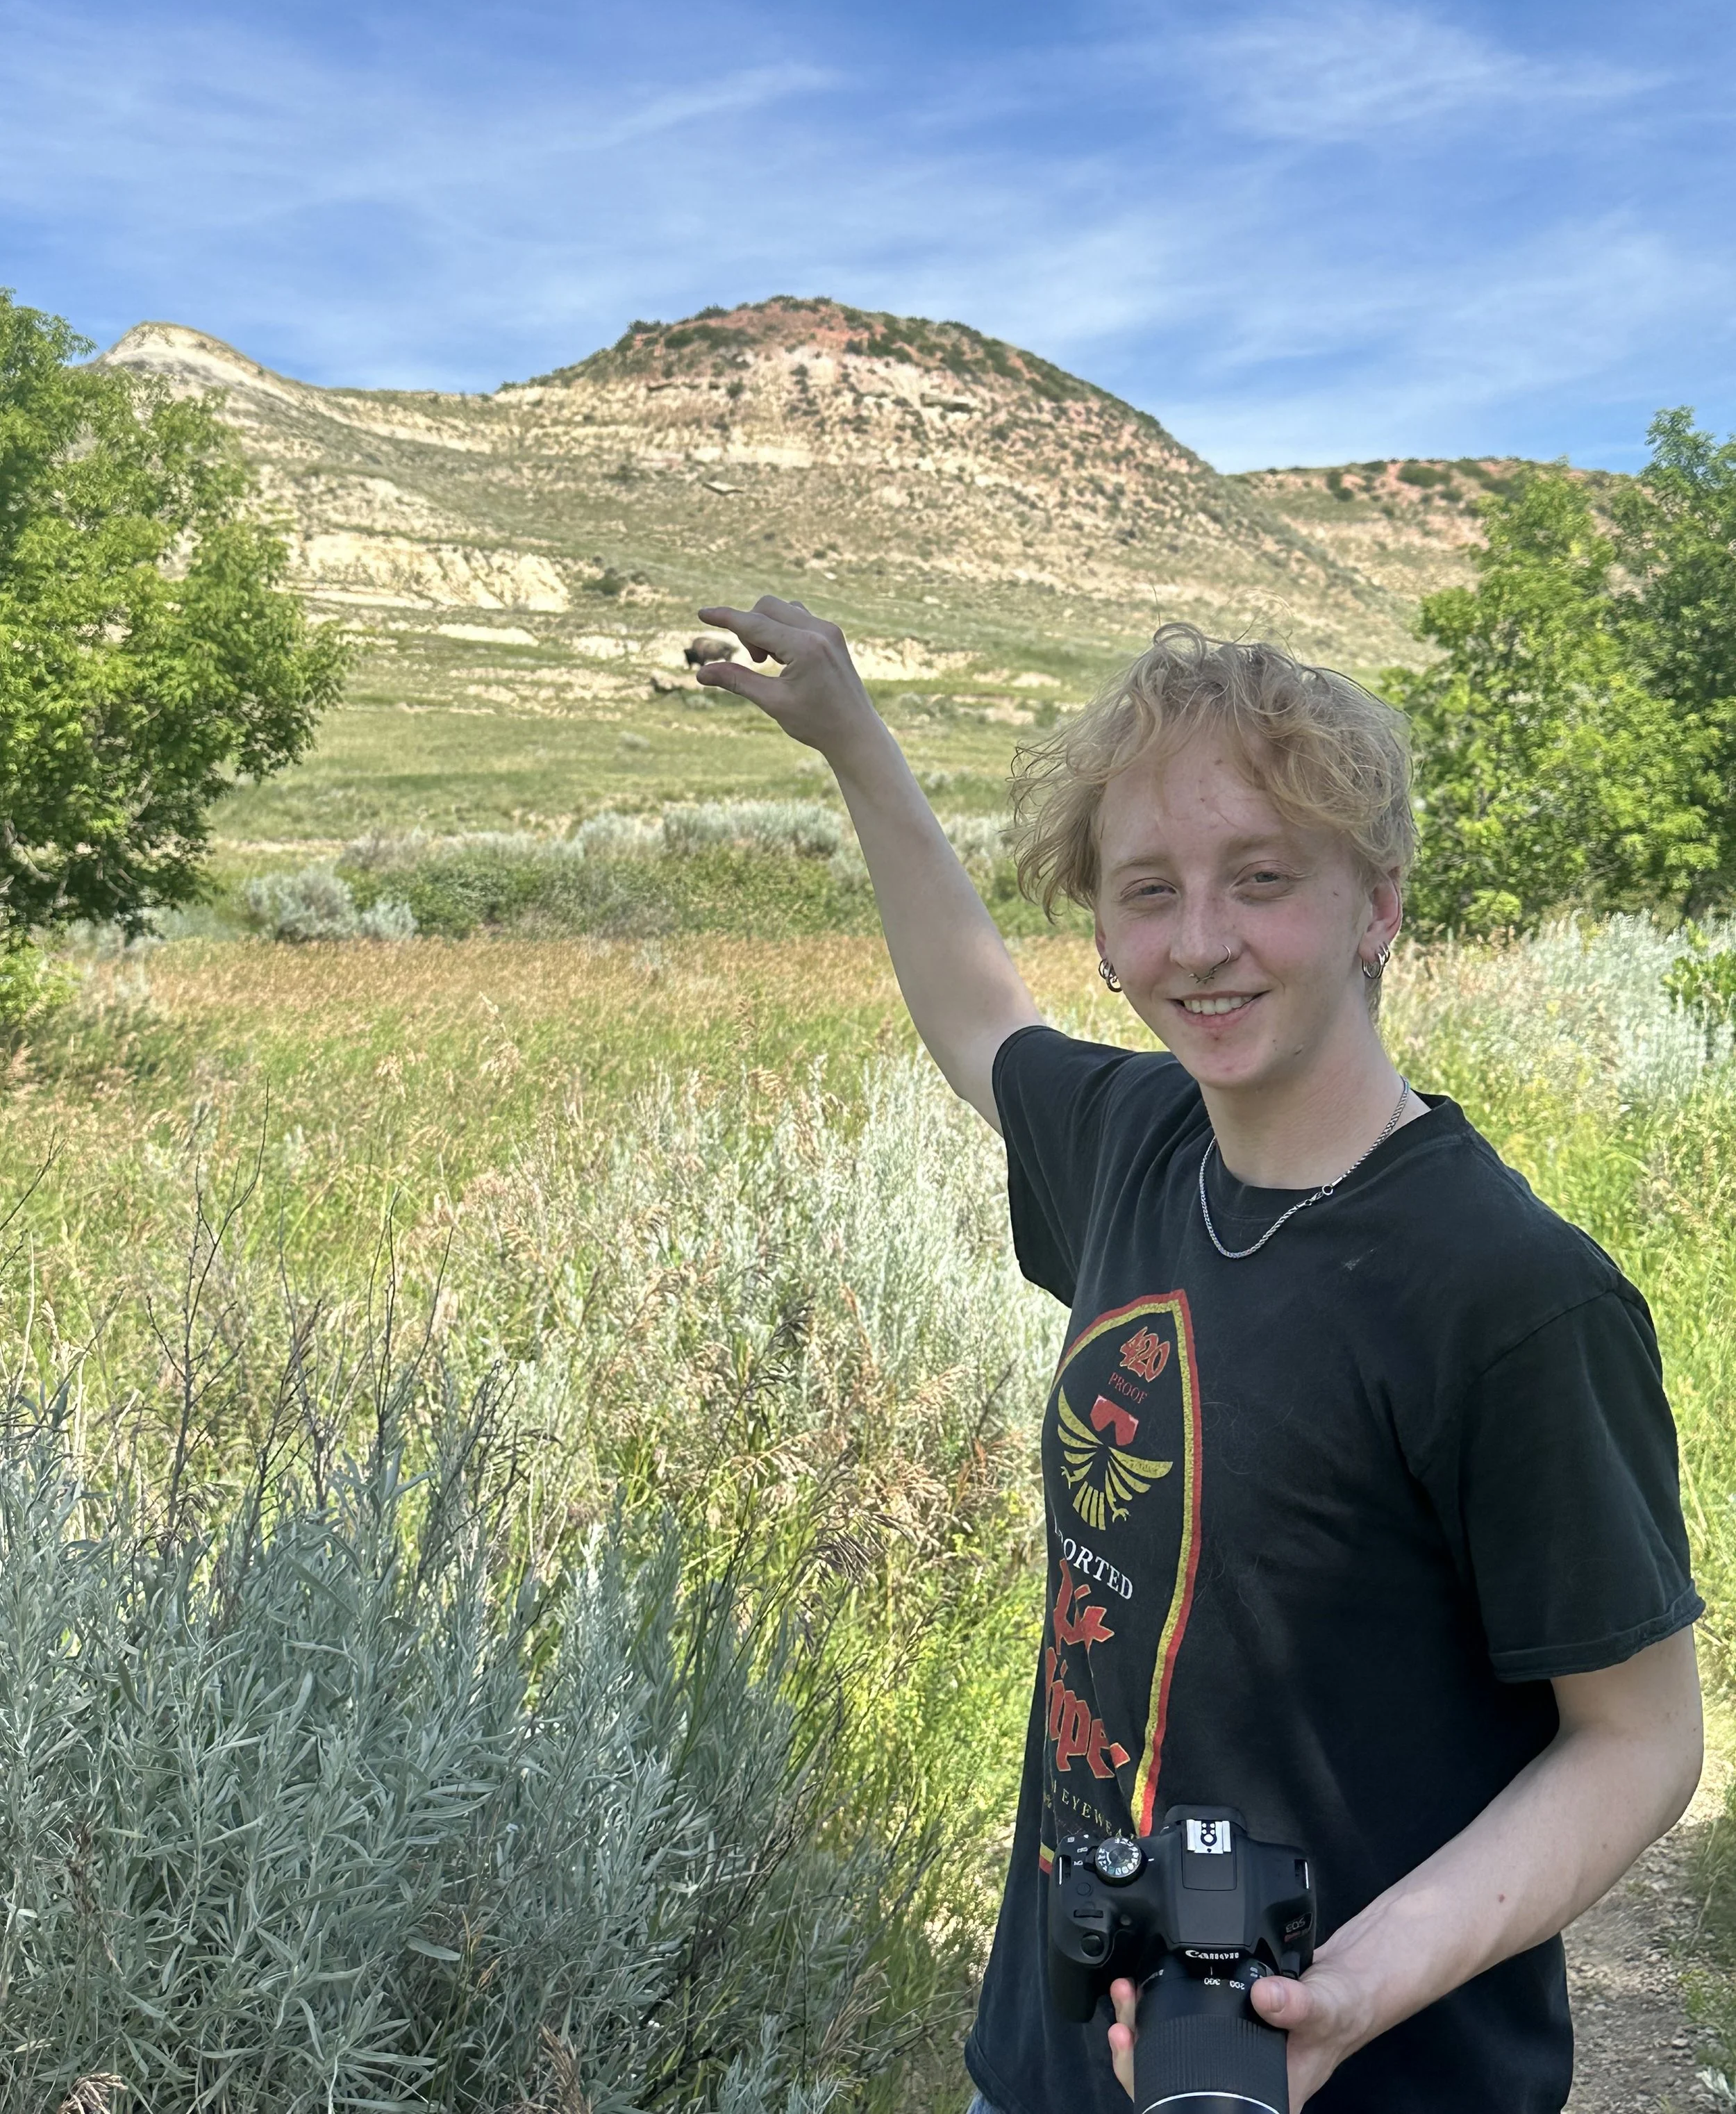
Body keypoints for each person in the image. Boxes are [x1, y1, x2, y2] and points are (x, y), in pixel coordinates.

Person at [691, 599, 1705, 2114]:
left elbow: (1636, 1743)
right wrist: (852, 739)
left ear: (1376, 904)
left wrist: (1357, 1982)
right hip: (1048, 2058)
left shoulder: (1506, 1293)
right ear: (1102, 936)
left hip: (1361, 2076)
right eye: (1147, 891)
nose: (1201, 941)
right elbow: (973, 1011)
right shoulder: (1138, 1143)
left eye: (1261, 879)